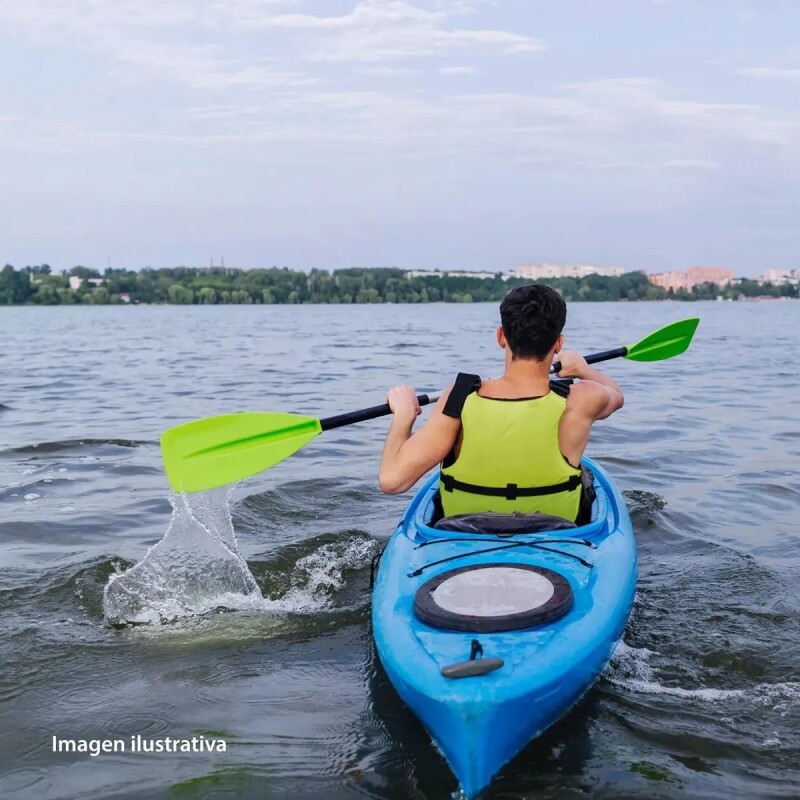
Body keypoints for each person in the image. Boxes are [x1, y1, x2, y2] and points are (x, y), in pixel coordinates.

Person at [378, 284, 624, 523]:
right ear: (558, 343)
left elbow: (392, 480)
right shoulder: (581, 398)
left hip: (463, 535)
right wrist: (582, 369)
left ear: (501, 337)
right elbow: (616, 396)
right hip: (557, 534)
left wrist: (404, 415)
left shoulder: (459, 396)